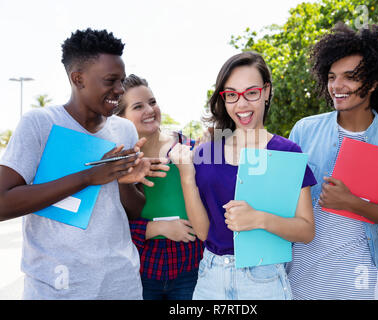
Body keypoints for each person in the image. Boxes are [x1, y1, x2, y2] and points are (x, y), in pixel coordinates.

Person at [0, 28, 168, 299]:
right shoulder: (41, 124)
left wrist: (124, 183)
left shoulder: (124, 130)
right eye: (110, 81)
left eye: (121, 81)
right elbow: (3, 203)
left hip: (120, 283)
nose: (119, 90)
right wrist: (88, 176)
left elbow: (133, 212)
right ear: (77, 79)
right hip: (58, 286)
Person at [286, 22, 378, 300]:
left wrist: (354, 204)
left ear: (373, 83)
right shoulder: (304, 130)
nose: (337, 86)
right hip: (298, 276)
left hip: (356, 281)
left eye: (350, 76)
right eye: (331, 76)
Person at [169, 51, 317, 300]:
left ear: (266, 91)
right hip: (211, 278)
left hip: (265, 279)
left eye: (251, 92)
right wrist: (186, 176)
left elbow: (306, 230)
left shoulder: (286, 152)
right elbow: (204, 233)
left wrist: (259, 219)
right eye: (231, 95)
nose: (241, 104)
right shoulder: (206, 153)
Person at [114, 74, 204, 300]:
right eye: (138, 106)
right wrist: (156, 229)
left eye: (152, 102)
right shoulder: (117, 162)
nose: (149, 110)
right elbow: (110, 225)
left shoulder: (189, 149)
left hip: (190, 264)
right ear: (121, 118)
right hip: (143, 267)